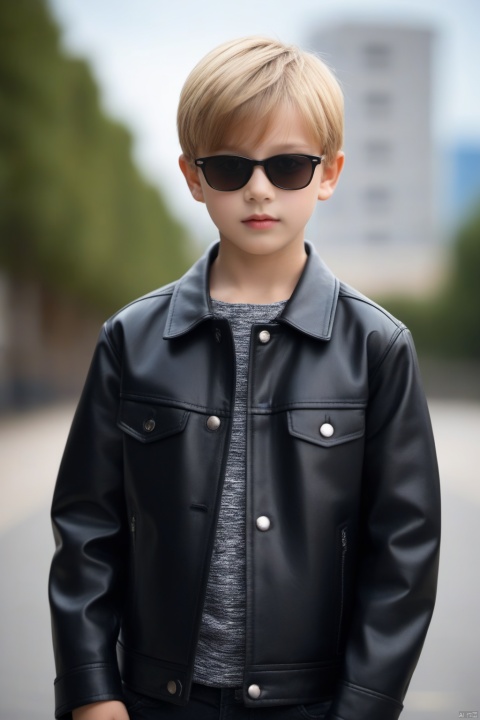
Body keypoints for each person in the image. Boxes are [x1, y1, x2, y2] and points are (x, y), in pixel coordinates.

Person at [49, 36, 441, 720]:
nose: (259, 188)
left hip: (312, 706)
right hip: (151, 702)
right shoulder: (131, 340)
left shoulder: (377, 345)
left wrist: (364, 708)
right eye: (231, 167)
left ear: (330, 172)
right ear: (193, 176)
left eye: (288, 165)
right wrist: (91, 691)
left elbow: (403, 556)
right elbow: (87, 530)